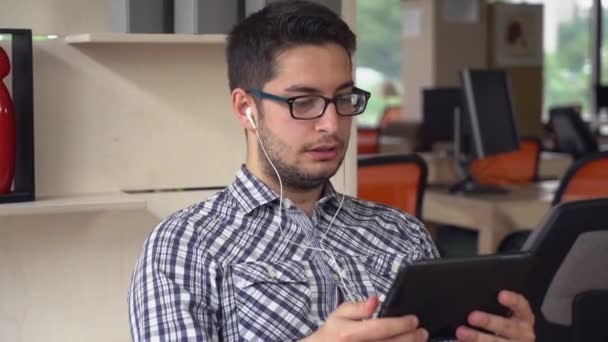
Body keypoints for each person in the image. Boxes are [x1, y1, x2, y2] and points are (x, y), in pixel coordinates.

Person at [128, 1, 536, 341]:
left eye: (343, 99)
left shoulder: (402, 233)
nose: (331, 124)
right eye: (303, 102)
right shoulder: (186, 245)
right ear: (245, 109)